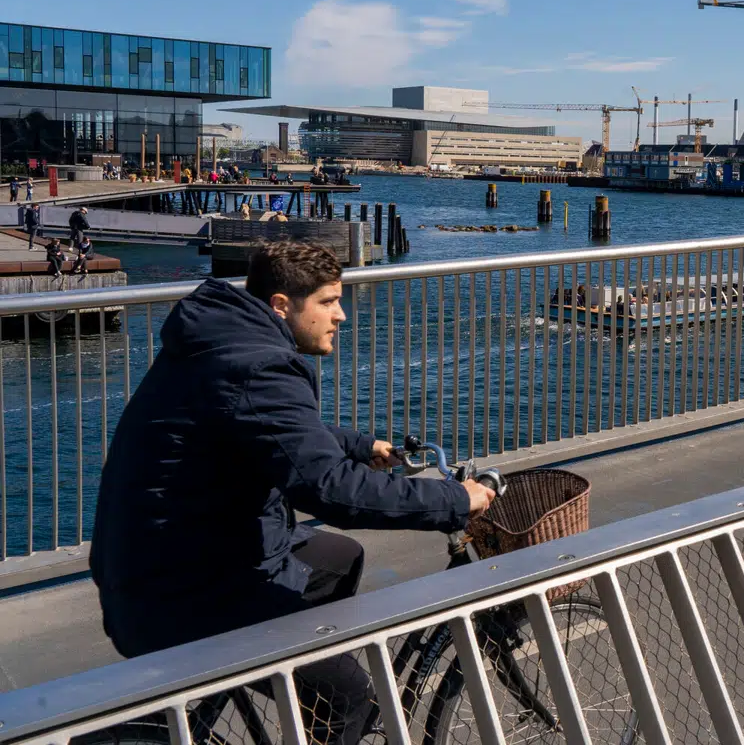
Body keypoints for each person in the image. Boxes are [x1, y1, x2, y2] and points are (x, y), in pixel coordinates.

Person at [90, 242, 494, 745]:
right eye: (327, 302)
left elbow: (271, 428)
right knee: (351, 700)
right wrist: (456, 501)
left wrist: (358, 444)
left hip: (165, 559)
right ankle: (311, 694)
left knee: (337, 558)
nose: (341, 316)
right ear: (282, 305)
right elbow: (329, 491)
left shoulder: (229, 339)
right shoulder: (259, 366)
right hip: (180, 592)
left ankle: (293, 690)